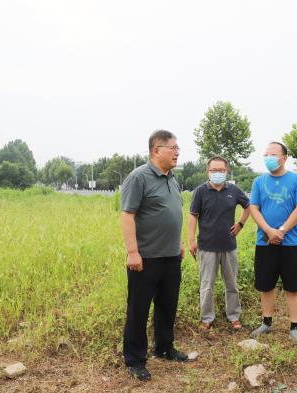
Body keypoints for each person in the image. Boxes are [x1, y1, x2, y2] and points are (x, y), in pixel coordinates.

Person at [120, 130, 187, 382]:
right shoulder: (138, 177)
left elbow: (172, 213)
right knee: (138, 309)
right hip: (145, 258)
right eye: (173, 148)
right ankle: (135, 359)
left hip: (171, 257)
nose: (177, 152)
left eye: (178, 148)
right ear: (156, 150)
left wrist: (178, 242)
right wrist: (133, 251)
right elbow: (127, 215)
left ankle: (164, 347)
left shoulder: (172, 178)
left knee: (167, 305)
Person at [248, 142, 297, 345]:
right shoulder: (258, 182)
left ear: (284, 158)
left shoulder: (296, 180)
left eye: (273, 154)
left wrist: (281, 231)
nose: (268, 157)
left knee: (293, 287)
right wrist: (268, 230)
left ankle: (294, 326)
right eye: (266, 154)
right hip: (265, 242)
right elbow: (254, 208)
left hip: (290, 243)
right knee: (266, 285)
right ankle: (266, 322)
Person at [188, 156, 250, 330]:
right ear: (208, 172)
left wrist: (241, 224)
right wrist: (191, 239)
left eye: (221, 170)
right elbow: (193, 215)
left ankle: (234, 316)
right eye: (214, 170)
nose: (217, 173)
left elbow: (248, 206)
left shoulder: (234, 190)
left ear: (226, 171)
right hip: (207, 247)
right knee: (206, 285)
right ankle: (207, 318)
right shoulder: (200, 191)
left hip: (229, 246)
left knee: (231, 284)